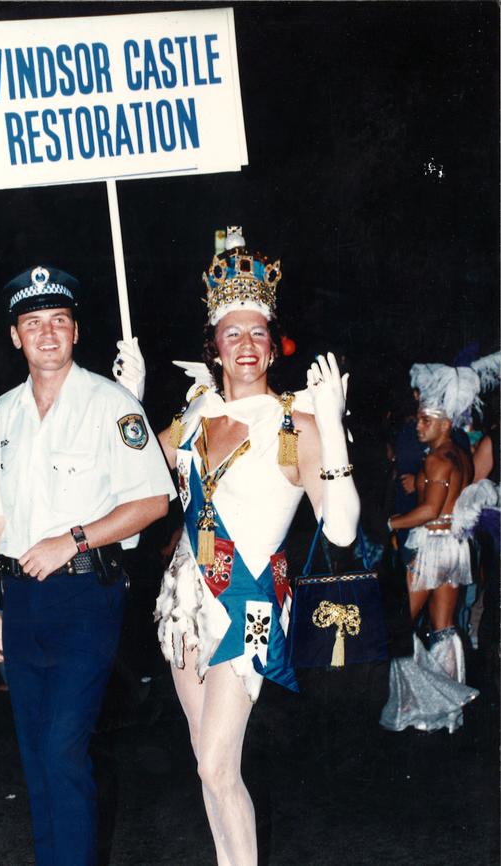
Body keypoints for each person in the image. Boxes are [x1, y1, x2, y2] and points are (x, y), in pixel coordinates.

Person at [115, 227, 359, 866]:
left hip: (248, 602)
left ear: (273, 344)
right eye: (233, 332)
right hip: (186, 605)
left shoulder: (295, 422)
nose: (246, 345)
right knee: (206, 764)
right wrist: (128, 403)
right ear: (214, 344)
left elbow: (340, 531)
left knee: (220, 764)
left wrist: (331, 429)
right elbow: (130, 472)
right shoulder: (194, 414)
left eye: (258, 332)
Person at [0, 264, 174, 866]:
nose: (48, 333)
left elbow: (152, 502)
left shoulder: (112, 406)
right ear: (16, 337)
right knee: (36, 757)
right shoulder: (4, 413)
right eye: (34, 323)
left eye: (59, 320)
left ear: (77, 331)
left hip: (86, 597)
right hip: (21, 600)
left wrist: (75, 539)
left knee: (63, 750)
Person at [381, 354, 499, 732]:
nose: (418, 425)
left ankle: (411, 706)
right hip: (455, 547)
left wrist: (388, 522)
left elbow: (429, 511)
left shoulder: (435, 461)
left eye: (425, 421)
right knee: (445, 626)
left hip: (431, 546)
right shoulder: (460, 453)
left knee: (400, 625)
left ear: (444, 423)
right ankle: (448, 712)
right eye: (418, 419)